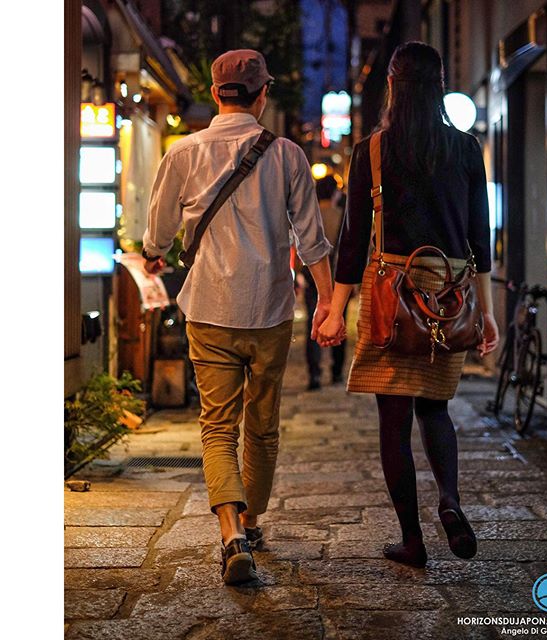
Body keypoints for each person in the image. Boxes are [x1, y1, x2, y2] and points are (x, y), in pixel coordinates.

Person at [142, 49, 344, 585]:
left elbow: (157, 232)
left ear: (214, 93)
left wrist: (156, 250)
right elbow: (312, 239)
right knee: (262, 427)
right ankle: (252, 523)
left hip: (208, 309)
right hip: (271, 310)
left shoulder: (182, 153)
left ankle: (231, 532)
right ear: (261, 95)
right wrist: (326, 304)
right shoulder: (286, 156)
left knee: (216, 427)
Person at [318, 42, 499, 568]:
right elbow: (478, 239)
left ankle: (411, 540)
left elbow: (352, 242)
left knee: (392, 421)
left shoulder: (371, 152)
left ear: (392, 86)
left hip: (390, 296)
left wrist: (334, 308)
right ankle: (450, 500)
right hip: (448, 294)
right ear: (440, 85)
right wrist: (485, 312)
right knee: (436, 410)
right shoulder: (466, 150)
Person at [299, 173, 347, 390]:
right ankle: (337, 371)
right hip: (340, 279)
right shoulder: (341, 216)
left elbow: (299, 247)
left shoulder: (311, 216)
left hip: (312, 277)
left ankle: (314, 375)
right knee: (339, 320)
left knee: (313, 322)